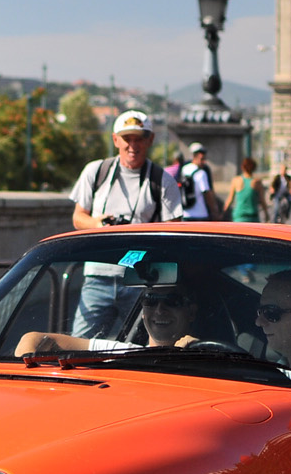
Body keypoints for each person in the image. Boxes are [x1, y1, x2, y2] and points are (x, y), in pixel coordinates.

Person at [66, 112, 184, 336]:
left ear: (150, 140)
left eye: (139, 139)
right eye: (127, 138)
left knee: (138, 346)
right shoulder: (96, 172)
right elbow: (78, 217)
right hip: (98, 275)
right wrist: (98, 224)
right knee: (81, 344)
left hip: (140, 280)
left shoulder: (162, 180)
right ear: (115, 140)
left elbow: (174, 230)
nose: (133, 145)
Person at [17, 281, 200, 357]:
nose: (160, 310)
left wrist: (191, 356)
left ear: (191, 313)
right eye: (150, 301)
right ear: (143, 311)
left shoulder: (207, 359)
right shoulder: (120, 352)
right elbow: (34, 339)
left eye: (172, 301)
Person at [180, 143, 218, 221]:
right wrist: (214, 211)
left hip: (185, 213)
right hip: (200, 214)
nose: (203, 162)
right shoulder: (201, 173)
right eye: (202, 159)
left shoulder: (184, 169)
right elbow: (207, 193)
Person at [225, 157, 270, 223]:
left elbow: (229, 200)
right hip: (253, 217)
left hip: (239, 217)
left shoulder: (236, 180)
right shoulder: (257, 182)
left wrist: (222, 213)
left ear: (242, 167)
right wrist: (266, 214)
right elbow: (262, 201)